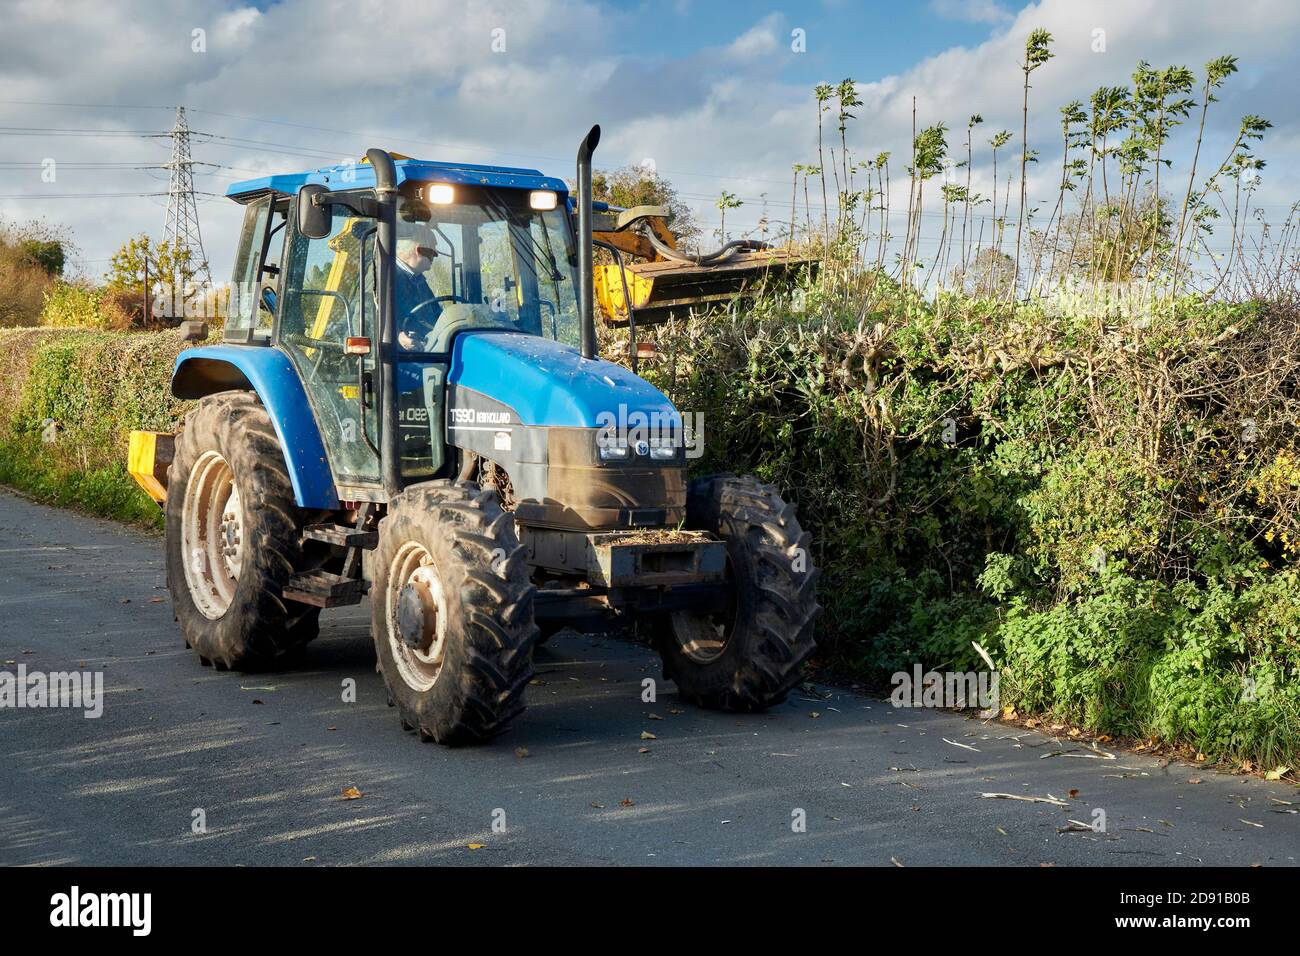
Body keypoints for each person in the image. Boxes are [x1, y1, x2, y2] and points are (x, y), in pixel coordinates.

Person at [394, 224, 441, 351]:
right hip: (395, 358)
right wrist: (397, 336)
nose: (435, 256)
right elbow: (367, 316)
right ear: (418, 250)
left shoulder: (418, 280)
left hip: (424, 350)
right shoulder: (383, 275)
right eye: (433, 251)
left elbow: (437, 314)